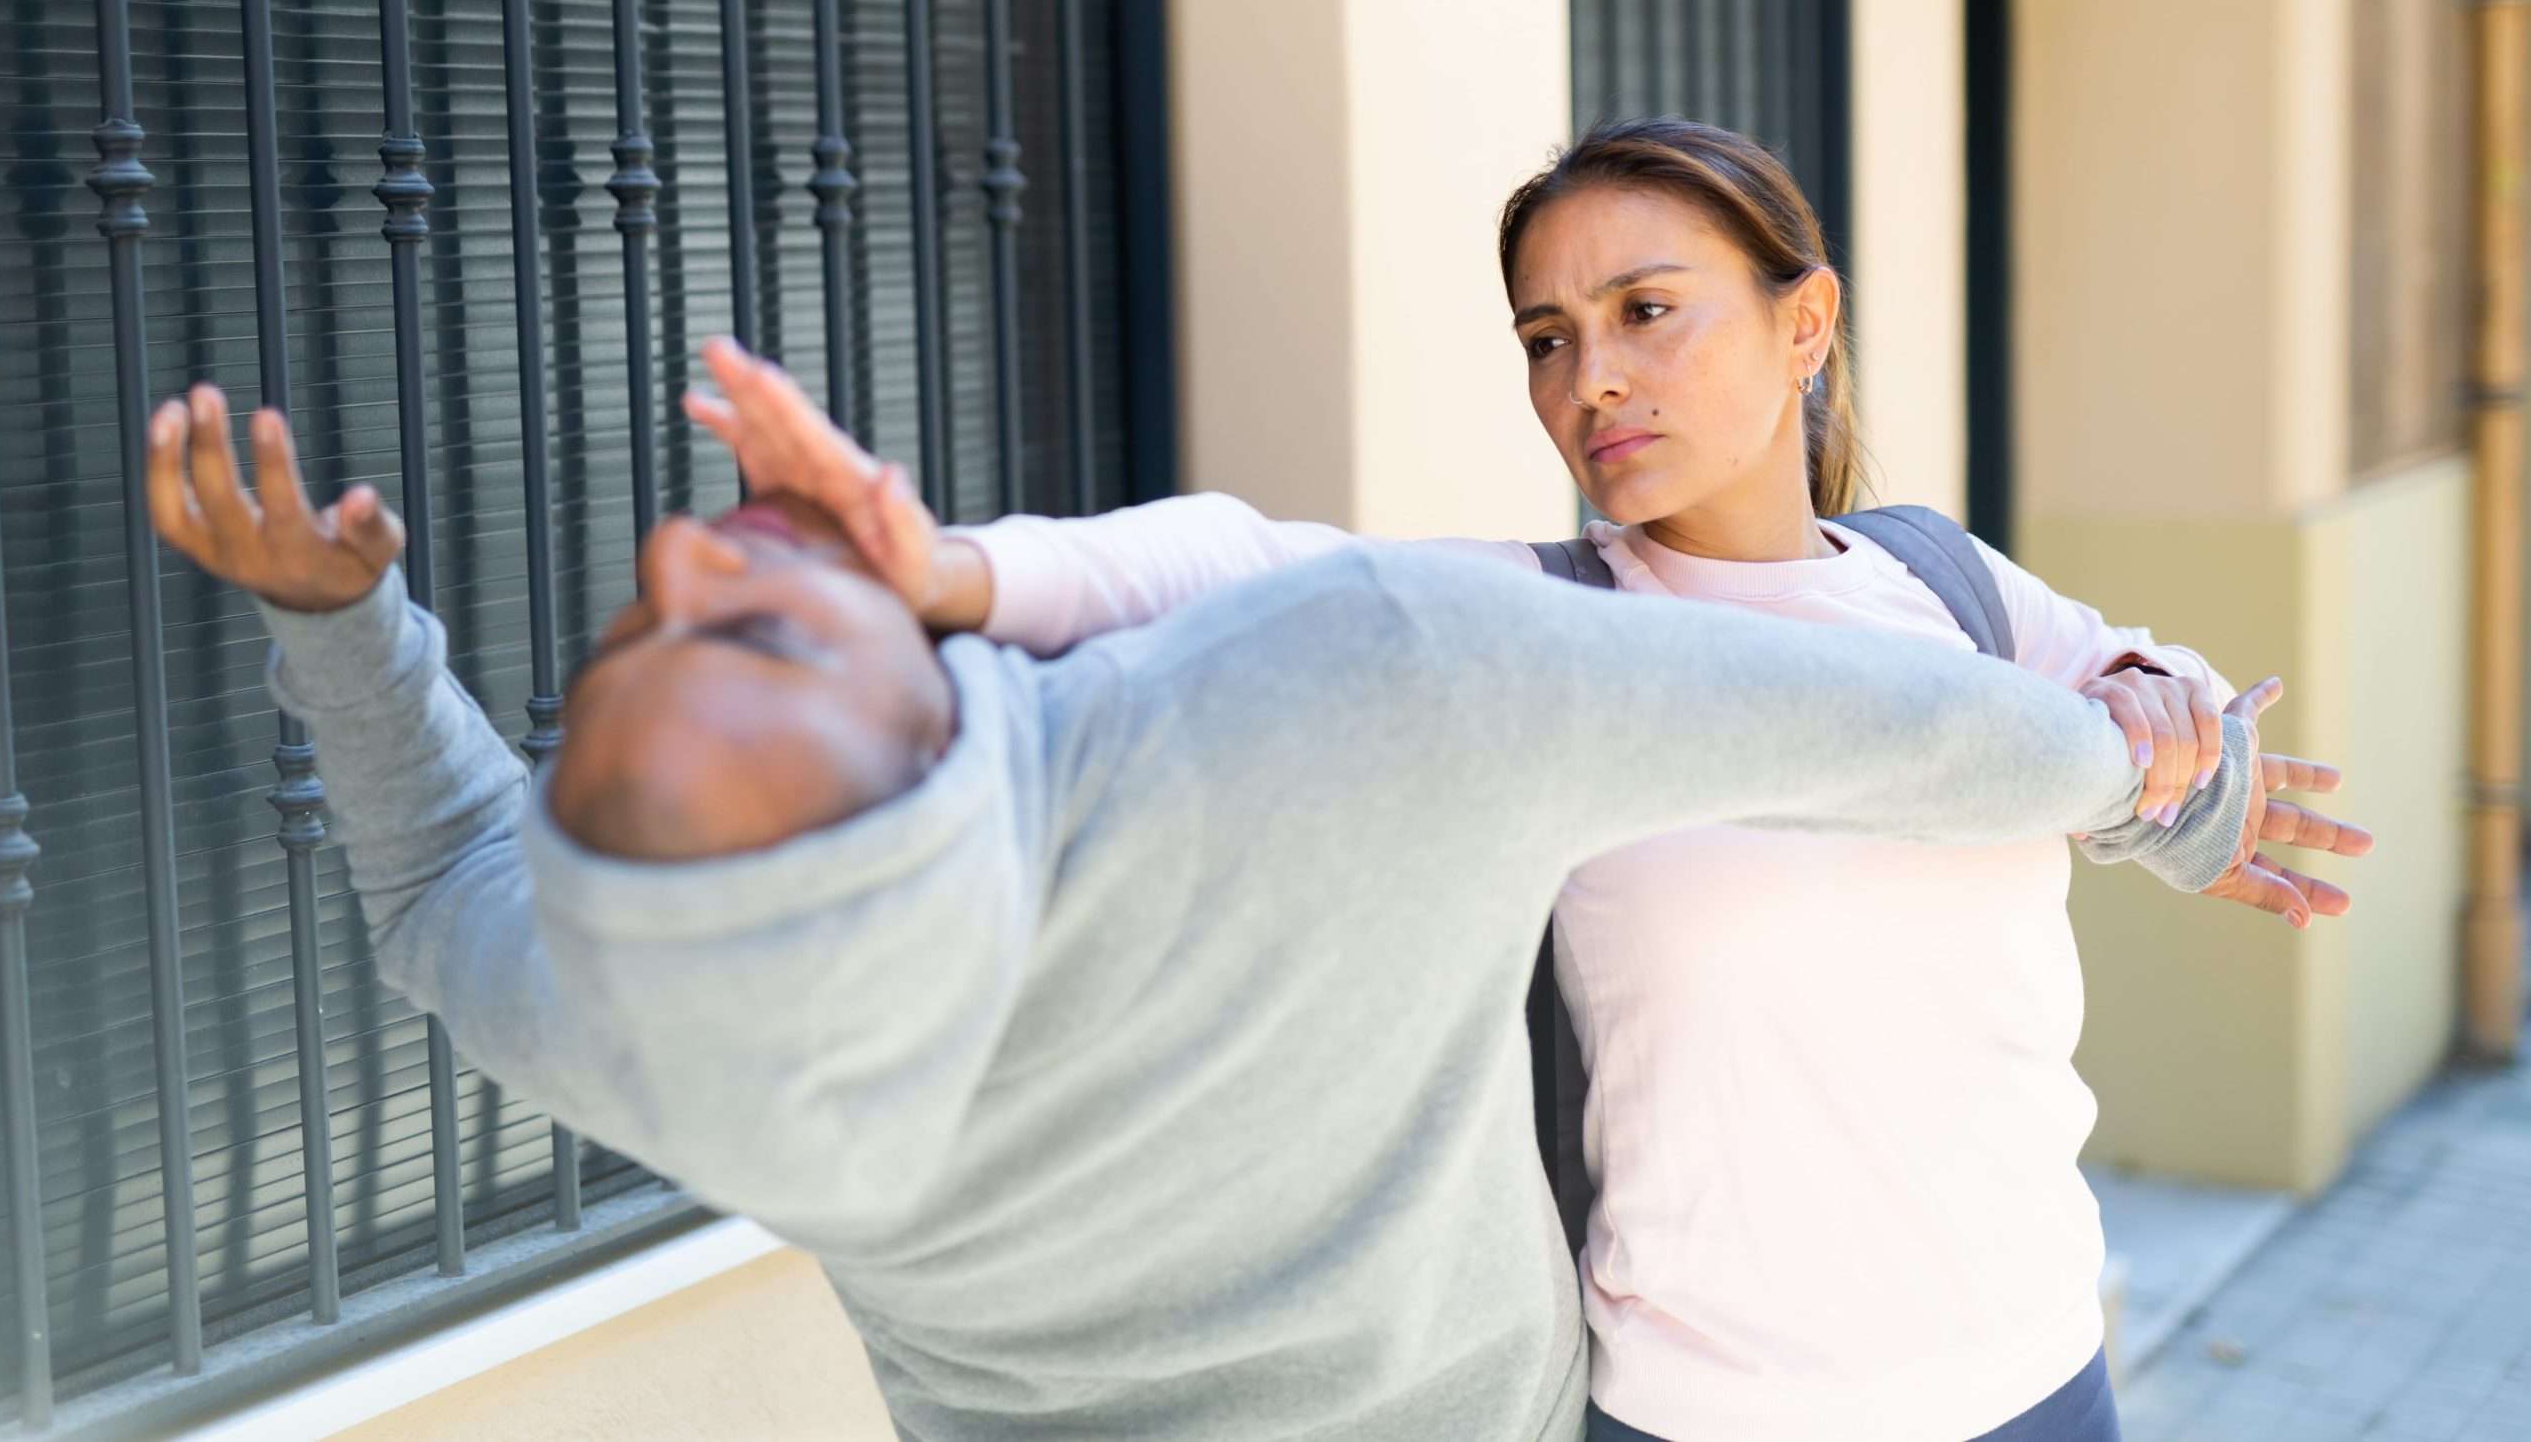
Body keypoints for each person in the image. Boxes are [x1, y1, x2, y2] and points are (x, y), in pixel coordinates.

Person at [144, 361, 2283, 1442]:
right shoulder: (1340, 699)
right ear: (925, 785)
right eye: (756, 642)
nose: (691, 560)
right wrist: (2135, 770)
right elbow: (1865, 719)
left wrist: (349, 629)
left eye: (617, 639)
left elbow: (445, 884)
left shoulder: (643, 1018)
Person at [692, 117, 2374, 1442]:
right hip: (1708, 1413)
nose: (1593, 382)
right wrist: (947, 571)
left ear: (1807, 325)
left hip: (2033, 1376)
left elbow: (2162, 717)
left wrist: (2165, 722)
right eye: (1548, 338)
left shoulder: (1946, 583)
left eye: (1647, 312)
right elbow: (1247, 564)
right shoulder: (1542, 637)